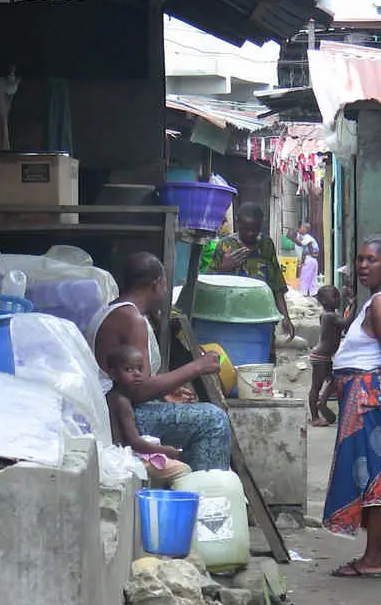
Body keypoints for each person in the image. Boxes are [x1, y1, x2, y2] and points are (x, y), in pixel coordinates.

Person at [324, 234, 381, 578]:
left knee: (376, 474)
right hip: (374, 392)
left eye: (372, 260)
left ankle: (373, 559)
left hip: (368, 397)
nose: (363, 266)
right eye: (360, 259)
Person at [85, 251, 231, 472]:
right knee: (213, 419)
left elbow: (131, 379)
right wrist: (197, 367)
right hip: (122, 417)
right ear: (157, 284)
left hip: (118, 409)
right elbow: (139, 390)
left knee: (195, 414)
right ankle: (206, 495)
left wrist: (165, 390)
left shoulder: (116, 310)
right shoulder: (131, 319)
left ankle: (186, 481)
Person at [207, 202, 295, 352]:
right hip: (233, 319)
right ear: (237, 222)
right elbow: (208, 283)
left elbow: (276, 284)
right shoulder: (225, 246)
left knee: (263, 361)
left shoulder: (266, 245)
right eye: (246, 229)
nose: (250, 234)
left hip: (262, 317)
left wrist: (286, 317)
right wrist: (223, 267)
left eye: (255, 230)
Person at [106, 344, 190, 483]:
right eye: (129, 369)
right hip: (123, 458)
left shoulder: (115, 396)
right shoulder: (121, 402)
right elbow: (134, 442)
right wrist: (165, 450)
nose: (137, 373)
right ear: (113, 374)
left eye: (140, 369)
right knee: (183, 470)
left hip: (120, 454)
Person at [309, 285, 356, 427]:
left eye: (337, 296)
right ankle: (315, 417)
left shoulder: (328, 315)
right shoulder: (330, 316)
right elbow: (346, 324)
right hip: (321, 357)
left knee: (334, 380)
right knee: (316, 387)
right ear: (323, 301)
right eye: (333, 296)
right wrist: (354, 305)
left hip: (325, 356)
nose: (337, 299)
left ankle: (322, 401)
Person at [288, 223, 319, 296]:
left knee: (304, 278)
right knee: (312, 280)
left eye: (301, 227)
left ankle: (304, 294)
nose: (300, 229)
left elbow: (302, 245)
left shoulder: (307, 237)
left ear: (306, 229)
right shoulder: (305, 237)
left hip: (309, 259)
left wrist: (294, 238)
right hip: (312, 259)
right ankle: (313, 294)